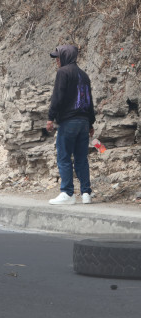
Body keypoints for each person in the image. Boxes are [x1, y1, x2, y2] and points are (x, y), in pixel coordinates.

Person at [46, 44, 95, 205]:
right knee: (81, 158)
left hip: (69, 122)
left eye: (58, 57)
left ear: (66, 57)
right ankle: (86, 193)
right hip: (83, 122)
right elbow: (89, 101)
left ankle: (67, 193)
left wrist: (50, 117)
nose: (57, 61)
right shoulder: (84, 75)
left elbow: (57, 96)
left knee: (64, 157)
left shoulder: (63, 72)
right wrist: (91, 123)